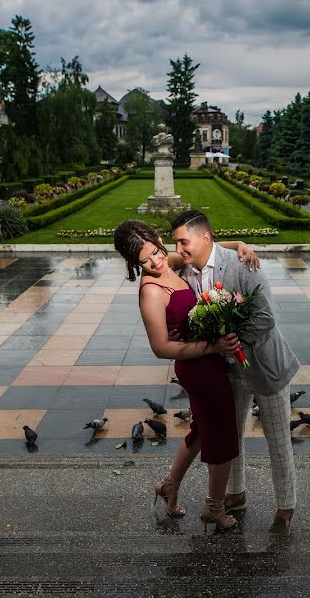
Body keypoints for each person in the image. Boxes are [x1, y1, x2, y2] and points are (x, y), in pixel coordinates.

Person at [113, 220, 260, 531]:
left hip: (208, 359)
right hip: (197, 367)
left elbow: (208, 248)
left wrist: (240, 246)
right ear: (133, 263)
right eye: (144, 261)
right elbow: (161, 348)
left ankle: (169, 484)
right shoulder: (151, 293)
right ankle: (213, 508)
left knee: (202, 431)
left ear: (158, 241)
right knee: (221, 434)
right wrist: (211, 346)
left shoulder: (170, 261)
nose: (155, 262)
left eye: (155, 251)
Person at [170, 210, 300, 536]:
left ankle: (285, 507)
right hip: (227, 370)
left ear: (205, 237)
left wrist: (233, 339)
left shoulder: (243, 263)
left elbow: (266, 317)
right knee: (232, 438)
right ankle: (235, 494)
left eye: (183, 241)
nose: (179, 248)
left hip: (266, 366)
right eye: (176, 242)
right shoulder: (184, 271)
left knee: (278, 442)